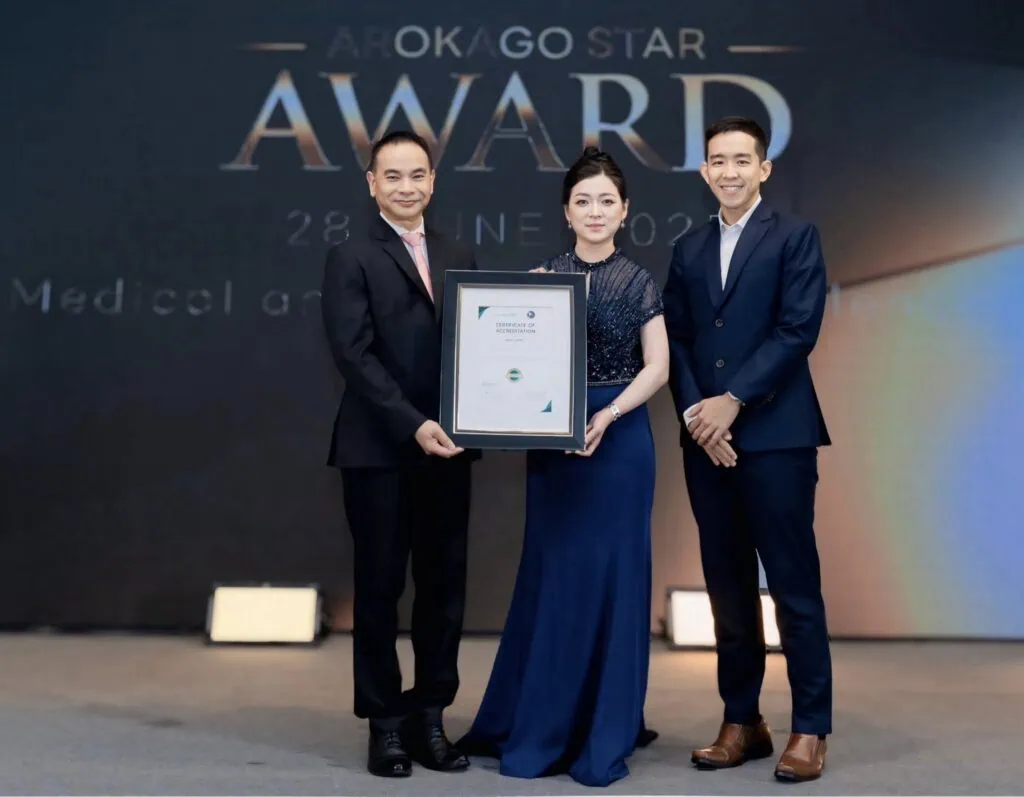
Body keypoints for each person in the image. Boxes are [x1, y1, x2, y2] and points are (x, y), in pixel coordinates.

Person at [457, 147, 668, 787]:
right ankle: (543, 719)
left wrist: (608, 415)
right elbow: (513, 364)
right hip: (556, 443)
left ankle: (606, 725)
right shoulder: (542, 277)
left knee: (616, 579)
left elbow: (658, 367)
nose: (595, 211)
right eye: (583, 201)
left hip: (620, 439)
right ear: (566, 211)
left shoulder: (639, 282)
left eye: (607, 201)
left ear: (625, 211)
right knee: (553, 577)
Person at [662, 116, 833, 782]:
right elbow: (674, 338)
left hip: (777, 436)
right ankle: (743, 719)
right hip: (706, 440)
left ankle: (811, 726)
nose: (728, 171)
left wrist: (733, 401)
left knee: (793, 587)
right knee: (727, 591)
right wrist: (698, 413)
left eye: (742, 159)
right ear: (704, 172)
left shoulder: (795, 237)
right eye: (716, 160)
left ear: (763, 168)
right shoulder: (687, 246)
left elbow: (797, 331)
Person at [320, 130, 479, 779]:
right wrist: (414, 423)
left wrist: (483, 414)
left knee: (443, 590)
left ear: (433, 180)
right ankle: (385, 725)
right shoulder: (351, 254)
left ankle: (430, 717)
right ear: (372, 182)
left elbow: (480, 346)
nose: (407, 186)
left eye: (417, 174)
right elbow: (353, 356)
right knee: (381, 589)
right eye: (393, 176)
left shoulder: (459, 250)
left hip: (451, 448)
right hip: (380, 448)